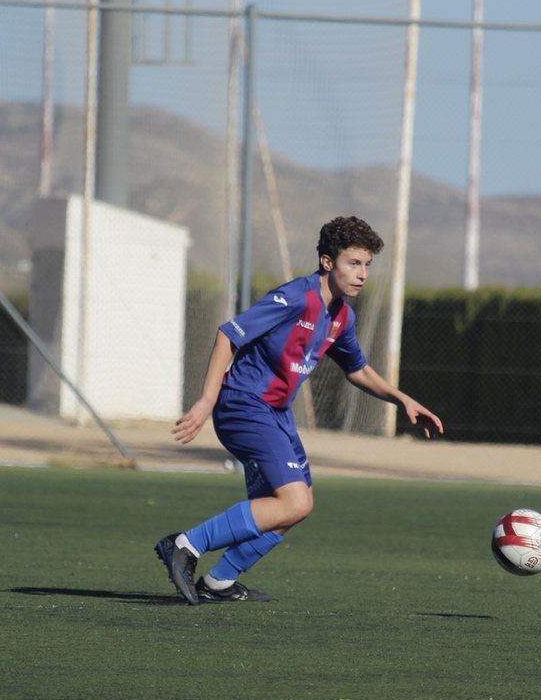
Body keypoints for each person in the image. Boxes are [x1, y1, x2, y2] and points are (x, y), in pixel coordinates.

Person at [156, 216, 444, 604]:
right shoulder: (294, 297)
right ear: (328, 262)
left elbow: (357, 370)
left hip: (276, 414)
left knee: (290, 509)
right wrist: (206, 401)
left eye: (367, 265)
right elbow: (228, 334)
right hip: (243, 404)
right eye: (353, 263)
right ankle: (186, 544)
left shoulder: (342, 316)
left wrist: (403, 399)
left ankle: (219, 582)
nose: (362, 274)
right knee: (296, 500)